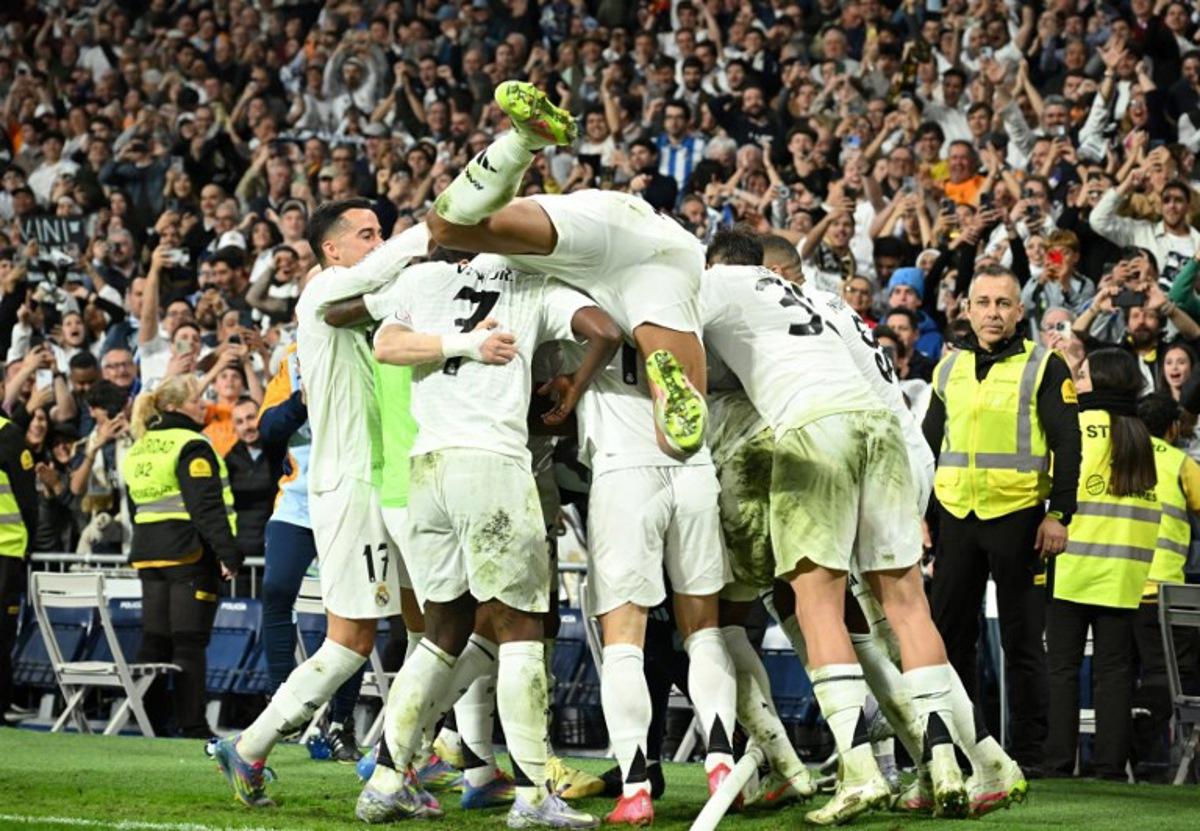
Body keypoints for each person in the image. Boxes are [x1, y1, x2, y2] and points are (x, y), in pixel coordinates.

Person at [702, 231, 975, 824]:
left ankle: (860, 770)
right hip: (888, 434)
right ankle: (951, 765)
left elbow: (682, 353)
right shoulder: (823, 301)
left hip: (816, 429)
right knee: (905, 611)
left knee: (816, 606)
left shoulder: (723, 284)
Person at [361, 251, 619, 827]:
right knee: (521, 628)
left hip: (426, 468)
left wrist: (461, 345)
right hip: (493, 465)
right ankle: (533, 795)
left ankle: (385, 781)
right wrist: (573, 385)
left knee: (442, 630)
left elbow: (385, 344)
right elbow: (605, 330)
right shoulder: (534, 282)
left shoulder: (424, 277)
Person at [211, 201, 429, 807]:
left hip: (387, 482)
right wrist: (436, 228)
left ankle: (410, 756)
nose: (378, 242)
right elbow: (388, 269)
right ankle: (250, 745)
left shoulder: (363, 305)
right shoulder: (323, 291)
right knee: (350, 641)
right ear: (331, 250)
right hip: (351, 486)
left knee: (431, 624)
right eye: (366, 234)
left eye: (382, 233)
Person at [424, 81, 709, 460]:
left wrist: (576, 381)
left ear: (462, 265)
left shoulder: (501, 279)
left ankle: (524, 141)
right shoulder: (498, 253)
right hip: (640, 228)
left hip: (601, 260)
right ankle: (521, 141)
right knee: (443, 226)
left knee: (678, 443)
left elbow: (603, 331)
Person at [924, 265, 1082, 773]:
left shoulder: (1045, 365)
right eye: (983, 302)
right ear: (967, 310)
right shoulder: (947, 370)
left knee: (1022, 641)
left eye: (1003, 303)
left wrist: (1059, 515)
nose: (992, 313)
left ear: (1019, 311)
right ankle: (964, 748)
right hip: (955, 517)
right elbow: (927, 448)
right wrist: (920, 515)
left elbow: (1069, 445)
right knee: (949, 637)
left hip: (1020, 519)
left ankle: (1032, 754)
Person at [1044, 349, 1161, 780]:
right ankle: (1110, 767)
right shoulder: (1141, 436)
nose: (1076, 380)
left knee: (1062, 668)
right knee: (1115, 672)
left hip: (1073, 564)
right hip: (1124, 573)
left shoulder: (1077, 426)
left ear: (1101, 381)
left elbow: (1052, 485)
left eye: (1083, 374)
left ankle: (1059, 762)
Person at [255, 342, 365, 763]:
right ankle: (283, 700)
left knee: (351, 608)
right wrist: (302, 401)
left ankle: (341, 721)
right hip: (298, 501)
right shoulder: (293, 355)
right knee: (276, 589)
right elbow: (268, 429)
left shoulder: (365, 340)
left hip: (351, 496)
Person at [122, 374, 241, 737]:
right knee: (189, 641)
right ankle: (193, 726)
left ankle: (147, 723)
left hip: (148, 553)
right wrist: (228, 553)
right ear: (175, 407)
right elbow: (206, 507)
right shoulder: (191, 444)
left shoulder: (140, 446)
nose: (202, 405)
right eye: (195, 401)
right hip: (187, 554)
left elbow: (134, 504)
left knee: (155, 639)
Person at [1132, 392, 1200, 779]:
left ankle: (1122, 747)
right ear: (1173, 428)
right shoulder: (1179, 463)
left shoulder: (1119, 457)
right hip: (1163, 590)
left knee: (1118, 671)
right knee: (1173, 672)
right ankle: (1143, 727)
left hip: (1117, 586)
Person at [0, 409, 36, 720]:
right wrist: (31, 543)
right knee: (2, 633)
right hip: (6, 548)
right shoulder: (7, 433)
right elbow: (27, 498)